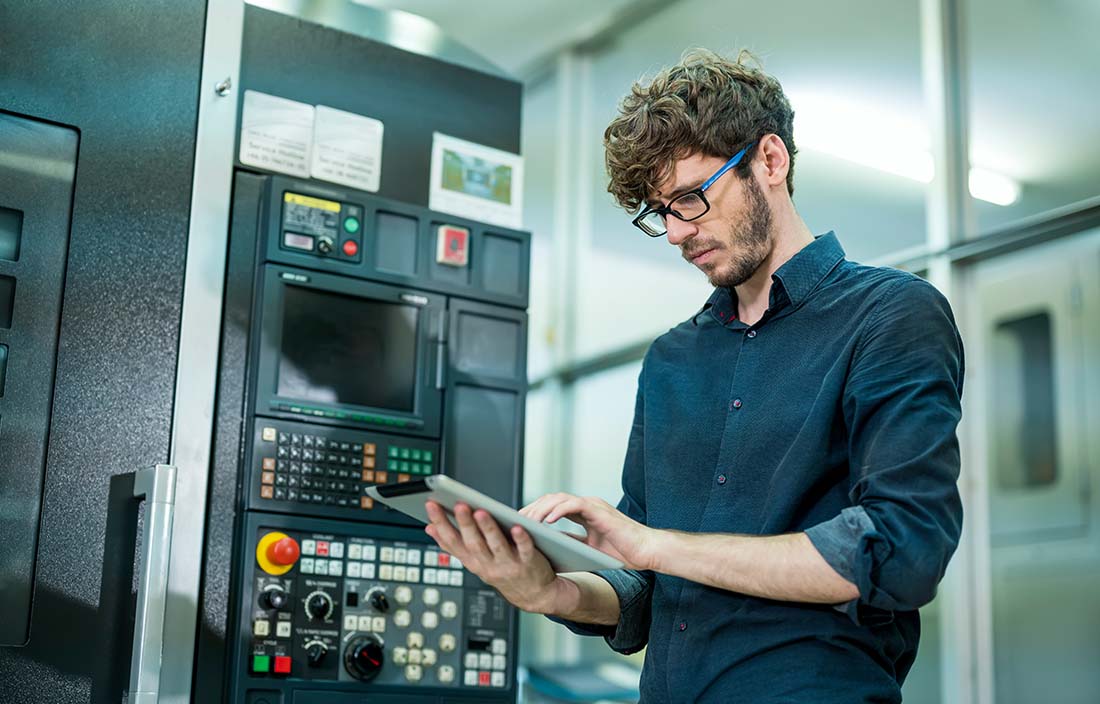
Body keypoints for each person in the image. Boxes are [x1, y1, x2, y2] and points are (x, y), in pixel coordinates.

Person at [423, 49, 964, 703]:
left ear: (770, 159)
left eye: (690, 198)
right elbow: (642, 588)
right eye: (661, 212)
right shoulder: (671, 360)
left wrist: (658, 547)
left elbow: (900, 550)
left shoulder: (889, 315)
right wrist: (551, 591)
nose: (677, 232)